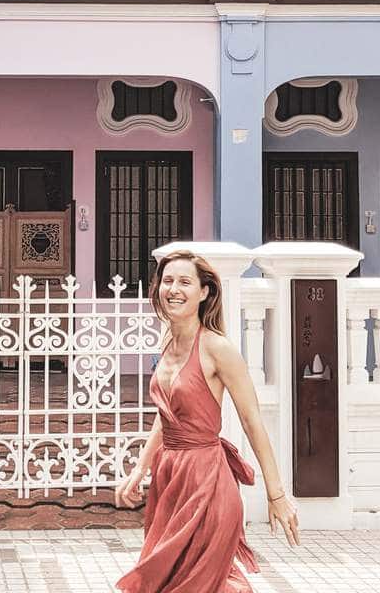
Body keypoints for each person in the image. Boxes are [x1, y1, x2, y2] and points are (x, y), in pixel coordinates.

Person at [115, 249, 300, 593]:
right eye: (167, 281)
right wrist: (140, 468)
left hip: (207, 481)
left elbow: (252, 422)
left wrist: (276, 496)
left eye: (185, 281)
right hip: (169, 480)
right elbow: (166, 416)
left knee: (200, 584)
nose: (174, 289)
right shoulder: (167, 341)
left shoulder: (218, 349)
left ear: (205, 292)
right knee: (163, 579)